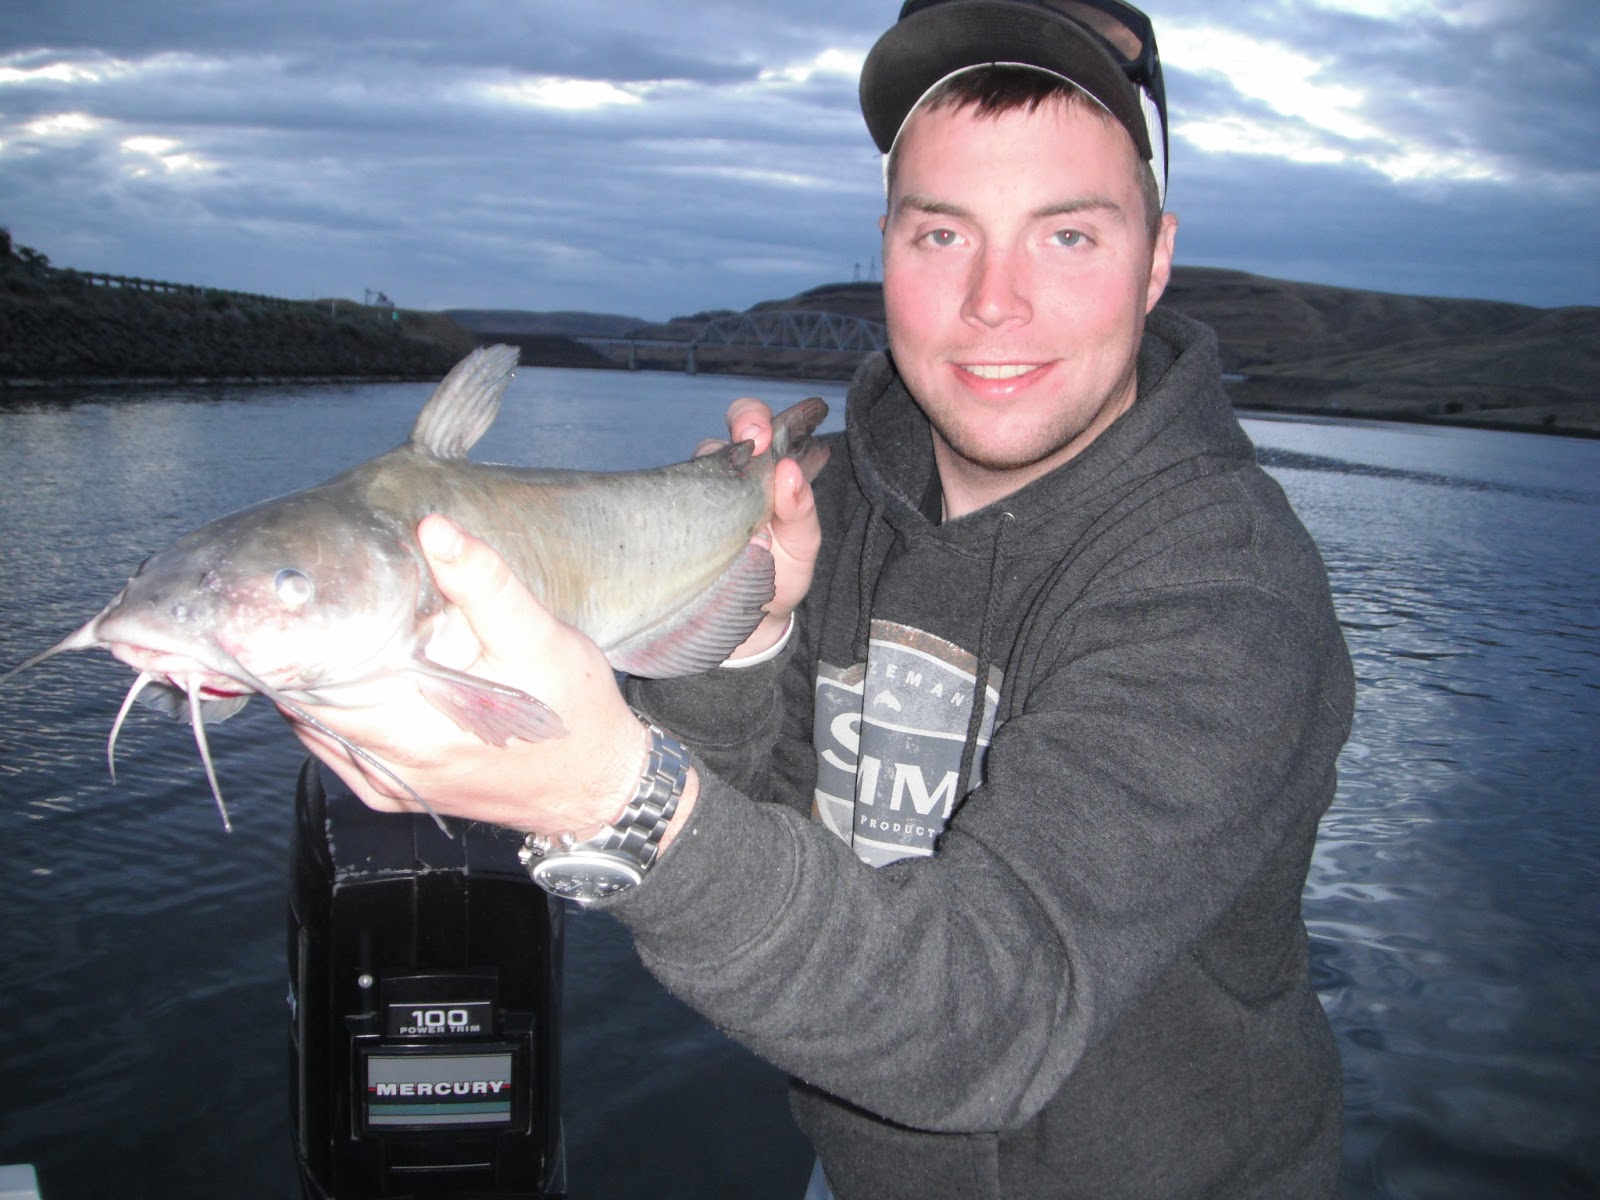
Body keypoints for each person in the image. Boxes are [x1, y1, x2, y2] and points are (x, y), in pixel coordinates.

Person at [289, 2, 1356, 1196]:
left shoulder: (1225, 590)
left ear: (1156, 259)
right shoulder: (830, 502)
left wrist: (608, 797)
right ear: (885, 249)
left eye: (1067, 238)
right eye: (942, 235)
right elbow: (755, 852)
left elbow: (989, 1024)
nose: (993, 301)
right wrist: (740, 647)